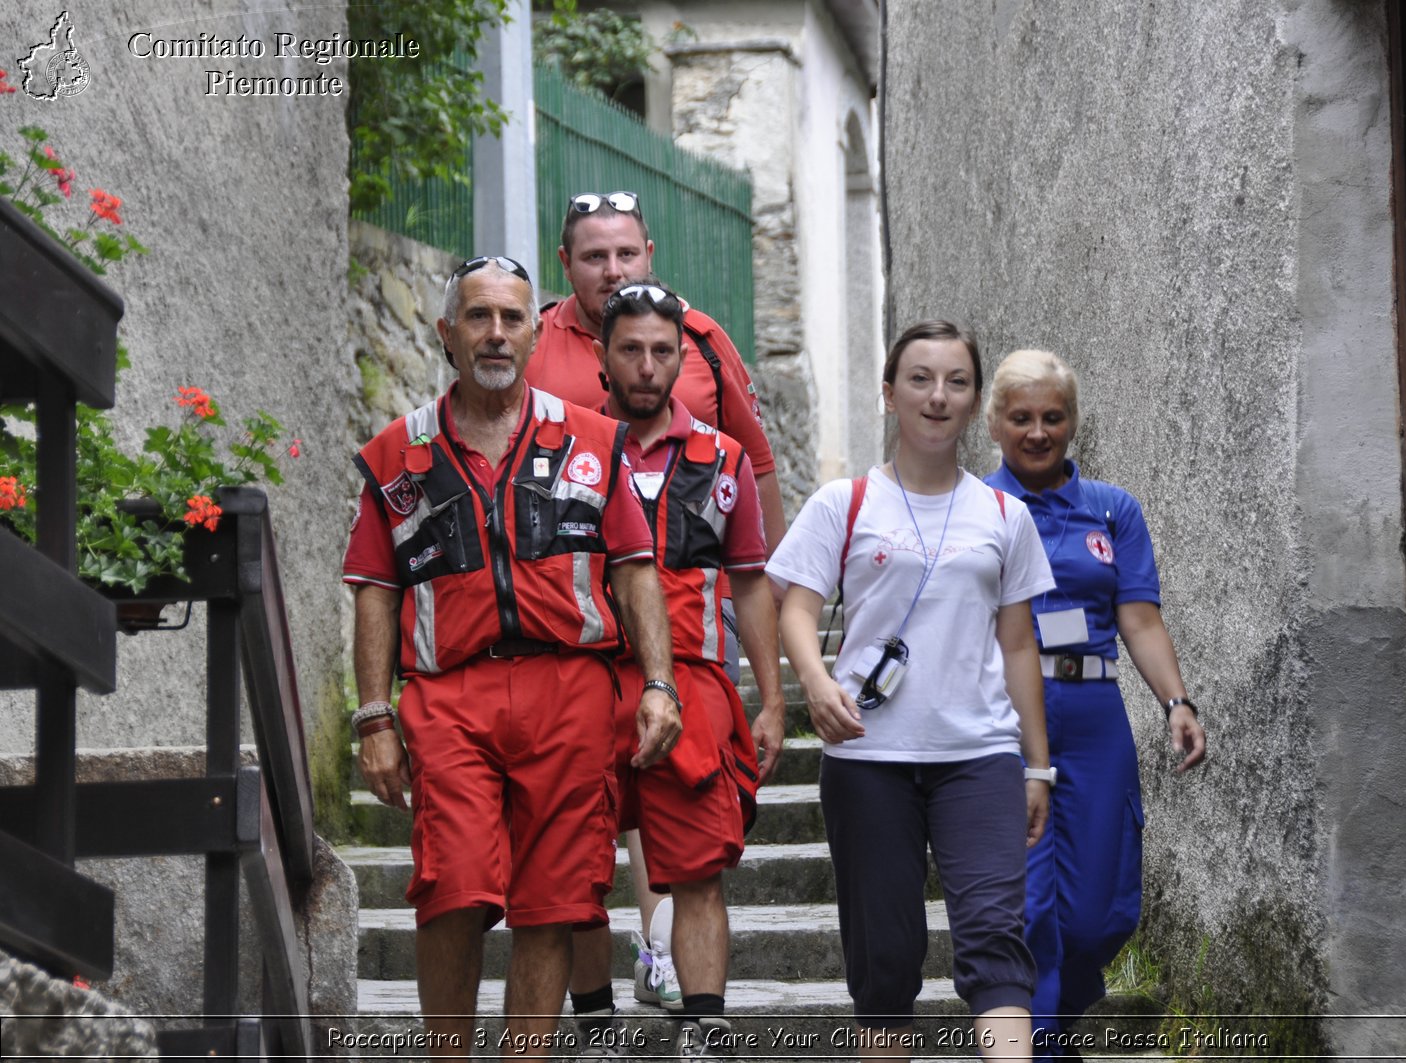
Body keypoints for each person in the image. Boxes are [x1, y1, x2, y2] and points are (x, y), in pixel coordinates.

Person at [343, 255, 683, 1060]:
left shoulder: (595, 441)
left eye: (512, 317)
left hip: (570, 692)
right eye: (478, 316)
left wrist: (660, 683)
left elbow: (636, 570)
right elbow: (373, 590)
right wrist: (372, 715)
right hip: (447, 696)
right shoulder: (397, 456)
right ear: (446, 334)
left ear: (538, 331)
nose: (496, 333)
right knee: (450, 889)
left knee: (556, 900)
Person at [768, 320, 1058, 1061]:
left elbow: (1019, 644)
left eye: (956, 381)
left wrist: (1037, 764)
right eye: (921, 379)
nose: (938, 395)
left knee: (998, 943)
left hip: (981, 755)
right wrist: (813, 679)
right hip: (869, 760)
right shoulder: (845, 502)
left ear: (974, 402)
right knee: (886, 961)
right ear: (889, 394)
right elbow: (794, 607)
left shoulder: (1004, 514)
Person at [567, 279, 788, 1061]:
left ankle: (703, 1027)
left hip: (692, 680)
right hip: (587, 680)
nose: (648, 366)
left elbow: (753, 579)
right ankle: (595, 1030)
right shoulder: (568, 453)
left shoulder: (722, 459)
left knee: (697, 867)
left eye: (664, 351)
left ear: (683, 359)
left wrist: (768, 695)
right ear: (603, 354)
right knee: (576, 868)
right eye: (631, 349)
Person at [981, 348, 1206, 1056]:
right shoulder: (972, 506)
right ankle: (1041, 1045)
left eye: (1054, 416)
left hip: (1093, 713)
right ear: (995, 422)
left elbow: (1138, 618)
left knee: (1103, 910)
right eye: (1022, 417)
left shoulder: (1113, 509)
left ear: (1074, 421)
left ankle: (1065, 1004)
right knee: (1031, 903)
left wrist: (1177, 701)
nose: (1039, 431)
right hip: (1010, 715)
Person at [528, 190, 786, 553]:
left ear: (648, 256)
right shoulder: (532, 344)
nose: (613, 271)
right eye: (594, 257)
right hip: (576, 587)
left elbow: (757, 468)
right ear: (565, 263)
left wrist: (773, 585)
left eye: (627, 254)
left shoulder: (703, 338)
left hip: (700, 585)